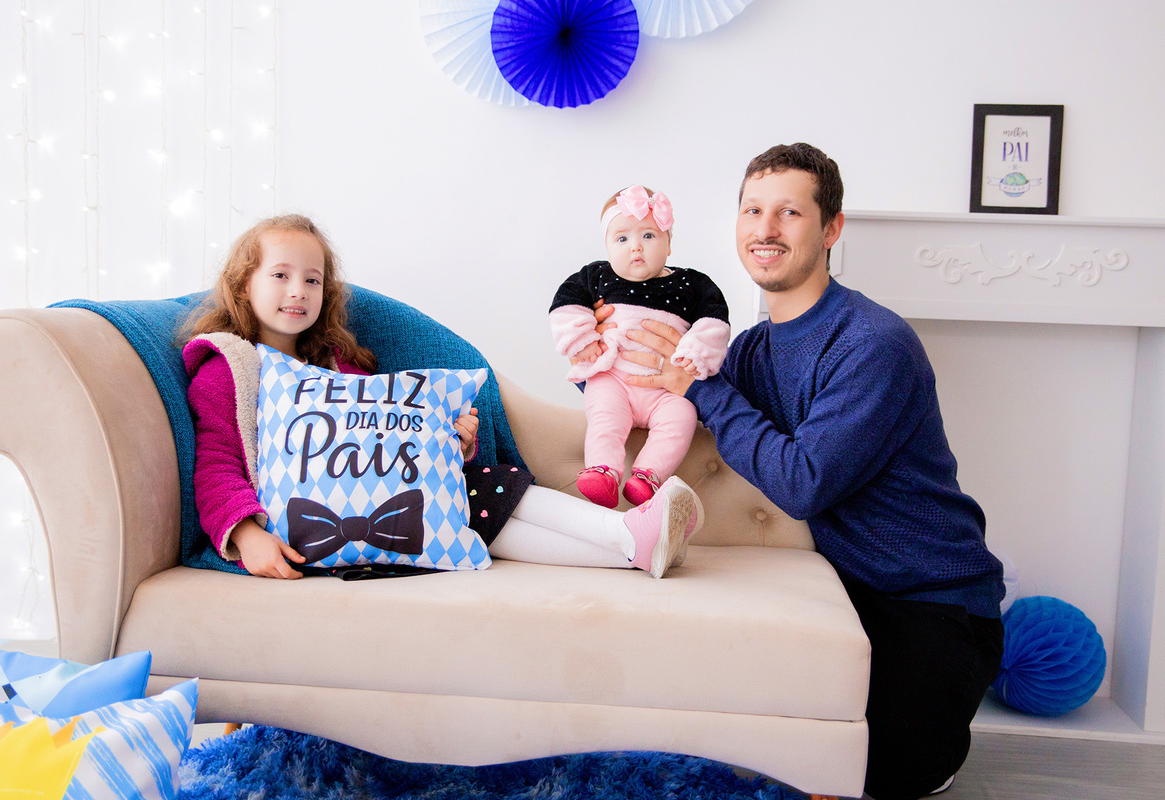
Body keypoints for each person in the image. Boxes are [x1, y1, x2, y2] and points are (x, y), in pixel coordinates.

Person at [619, 145, 1005, 800]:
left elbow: (804, 482)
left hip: (928, 604)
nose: (765, 229)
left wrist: (701, 389)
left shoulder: (872, 343)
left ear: (831, 229)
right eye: (753, 210)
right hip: (835, 590)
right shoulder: (751, 349)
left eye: (789, 212)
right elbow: (675, 402)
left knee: (883, 779)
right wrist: (621, 353)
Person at [183, 214, 698, 581]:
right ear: (242, 284)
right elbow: (216, 464)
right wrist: (246, 533)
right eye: (279, 275)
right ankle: (629, 536)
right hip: (303, 520)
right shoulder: (228, 368)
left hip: (384, 495)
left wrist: (451, 441)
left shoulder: (338, 364)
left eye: (311, 280)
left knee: (484, 485)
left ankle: (632, 542)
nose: (297, 290)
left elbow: (386, 439)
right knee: (475, 503)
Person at [549, 185, 730, 508]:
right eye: (622, 239)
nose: (636, 248)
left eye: (648, 236)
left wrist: (696, 354)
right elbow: (565, 306)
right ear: (606, 246)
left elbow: (714, 322)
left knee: (683, 418)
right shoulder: (596, 276)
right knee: (604, 416)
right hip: (613, 378)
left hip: (667, 390)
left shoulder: (692, 283)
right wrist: (583, 340)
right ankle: (603, 471)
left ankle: (648, 476)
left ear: (669, 243)